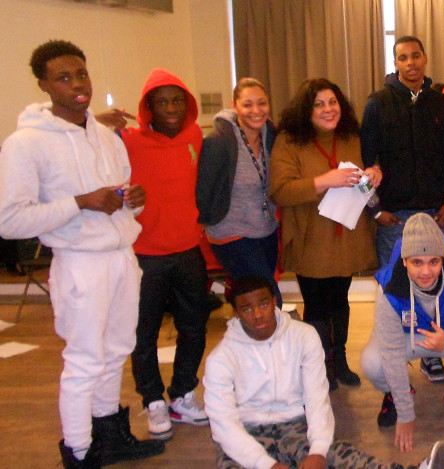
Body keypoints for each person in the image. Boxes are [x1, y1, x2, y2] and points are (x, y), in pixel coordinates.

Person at [0, 39, 163, 467]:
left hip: (122, 258)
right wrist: (79, 202)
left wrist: (136, 200)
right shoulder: (25, 143)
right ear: (44, 85)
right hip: (79, 263)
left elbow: (123, 197)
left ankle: (109, 435)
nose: (78, 85)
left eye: (82, 74)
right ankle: (78, 450)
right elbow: (10, 221)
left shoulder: (106, 136)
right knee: (85, 359)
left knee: (117, 349)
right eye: (64, 77)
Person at [203, 275, 444, 469]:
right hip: (247, 431)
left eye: (264, 304)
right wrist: (265, 464)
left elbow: (316, 397)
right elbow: (224, 425)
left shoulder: (303, 336)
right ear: (236, 313)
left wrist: (318, 450)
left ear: (274, 302)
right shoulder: (221, 359)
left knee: (341, 457)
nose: (258, 314)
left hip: (294, 425)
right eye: (247, 309)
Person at [117, 68, 212, 441]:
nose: (170, 108)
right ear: (148, 108)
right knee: (144, 334)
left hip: (188, 250)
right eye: (161, 102)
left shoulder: (194, 136)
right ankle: (153, 400)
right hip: (144, 255)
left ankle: (183, 393)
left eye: (177, 100)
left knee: (194, 327)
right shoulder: (127, 140)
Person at [361, 36, 444, 383]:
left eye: (416, 56)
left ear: (425, 58)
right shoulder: (378, 103)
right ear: (395, 63)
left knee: (432, 286)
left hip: (434, 212)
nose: (411, 63)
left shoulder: (440, 103)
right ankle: (393, 354)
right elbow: (363, 164)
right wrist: (375, 211)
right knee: (394, 291)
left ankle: (429, 354)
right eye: (403, 58)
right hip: (393, 216)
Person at [270, 78, 377, 389]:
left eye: (332, 102)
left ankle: (340, 360)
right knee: (316, 305)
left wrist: (374, 172)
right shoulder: (289, 141)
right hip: (310, 238)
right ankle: (321, 365)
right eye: (319, 104)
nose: (328, 109)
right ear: (307, 110)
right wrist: (326, 180)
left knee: (340, 301)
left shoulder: (350, 137)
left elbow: (368, 169)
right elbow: (281, 190)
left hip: (345, 234)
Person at [361, 213, 444, 452]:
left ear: (443, 258)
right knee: (372, 362)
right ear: (404, 261)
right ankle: (397, 392)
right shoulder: (388, 289)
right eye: (416, 263)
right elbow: (390, 352)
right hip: (406, 333)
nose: (426, 272)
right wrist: (405, 414)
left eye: (434, 261)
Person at [197, 78, 281, 304]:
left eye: (262, 103)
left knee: (256, 301)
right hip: (231, 233)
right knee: (268, 300)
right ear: (234, 106)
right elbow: (204, 191)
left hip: (265, 230)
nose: (256, 110)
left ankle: (248, 338)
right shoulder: (219, 140)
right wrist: (208, 221)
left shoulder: (271, 136)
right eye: (247, 104)